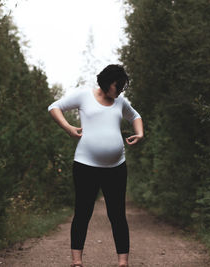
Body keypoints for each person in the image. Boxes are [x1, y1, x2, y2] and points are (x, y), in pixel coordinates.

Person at [48, 64, 143, 267]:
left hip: (116, 167)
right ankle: (77, 261)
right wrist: (68, 128)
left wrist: (140, 133)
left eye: (122, 88)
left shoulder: (120, 102)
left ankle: (123, 262)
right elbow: (54, 107)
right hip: (85, 165)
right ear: (107, 83)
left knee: (117, 214)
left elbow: (135, 116)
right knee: (83, 212)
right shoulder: (84, 96)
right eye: (117, 87)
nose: (119, 91)